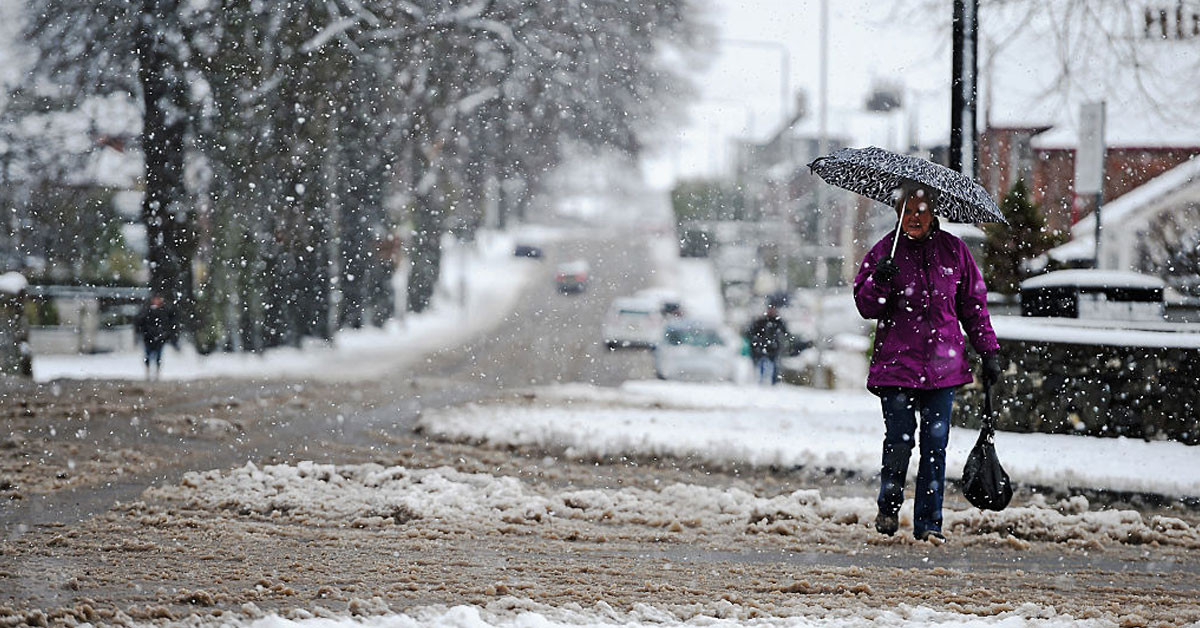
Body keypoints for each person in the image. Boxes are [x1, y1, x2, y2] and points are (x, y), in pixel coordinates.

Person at [853, 183, 1003, 544]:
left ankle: (929, 524)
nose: (914, 218)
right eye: (907, 210)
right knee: (899, 443)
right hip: (897, 367)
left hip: (943, 369)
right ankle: (889, 505)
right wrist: (880, 282)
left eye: (921, 210)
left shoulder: (954, 252)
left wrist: (989, 351)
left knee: (935, 446)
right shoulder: (883, 251)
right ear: (898, 213)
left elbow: (973, 306)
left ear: (934, 211)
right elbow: (865, 306)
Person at [134, 295, 179, 380]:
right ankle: (148, 373)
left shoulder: (164, 311)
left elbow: (169, 323)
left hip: (159, 337)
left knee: (158, 356)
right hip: (149, 337)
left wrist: (165, 333)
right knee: (148, 356)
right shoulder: (147, 310)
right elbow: (140, 322)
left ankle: (157, 373)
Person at [745, 303, 790, 385]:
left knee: (773, 365)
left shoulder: (778, 322)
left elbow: (785, 333)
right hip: (763, 348)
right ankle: (761, 381)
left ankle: (773, 382)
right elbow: (751, 332)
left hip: (773, 348)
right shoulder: (762, 321)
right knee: (762, 364)